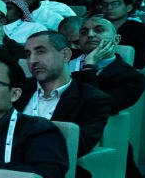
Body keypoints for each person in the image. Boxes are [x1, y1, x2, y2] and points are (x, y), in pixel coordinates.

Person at [23, 31, 112, 160]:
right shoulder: (16, 88)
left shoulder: (93, 99)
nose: (32, 61)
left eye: (41, 52)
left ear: (65, 55)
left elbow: (78, 144)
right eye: (27, 54)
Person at [93, 0, 145, 68]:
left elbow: (139, 62)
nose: (109, 8)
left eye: (115, 4)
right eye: (105, 5)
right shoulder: (93, 28)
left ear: (129, 7)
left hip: (125, 71)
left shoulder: (141, 30)